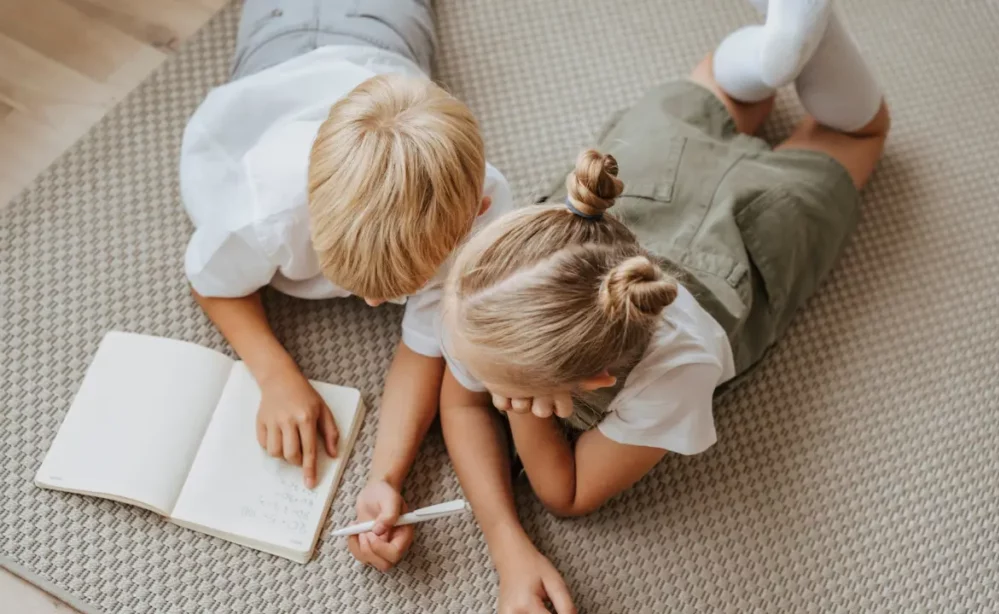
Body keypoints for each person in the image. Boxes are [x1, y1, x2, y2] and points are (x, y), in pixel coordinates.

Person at [437, 1, 890, 611]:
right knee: (716, 94)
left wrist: (521, 412)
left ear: (595, 380)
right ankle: (773, 51)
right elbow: (460, 399)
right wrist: (505, 542)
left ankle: (792, 45)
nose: (467, 375)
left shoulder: (676, 372)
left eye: (503, 386)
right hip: (649, 177)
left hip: (750, 235)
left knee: (858, 132)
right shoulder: (514, 278)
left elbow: (566, 494)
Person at [178, 0, 513, 572]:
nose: (378, 304)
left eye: (396, 287)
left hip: (388, 35)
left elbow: (426, 344)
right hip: (279, 41)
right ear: (310, 211)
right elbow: (211, 282)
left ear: (474, 213)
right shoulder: (264, 208)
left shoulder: (484, 210)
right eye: (354, 283)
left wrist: (386, 477)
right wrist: (276, 374)